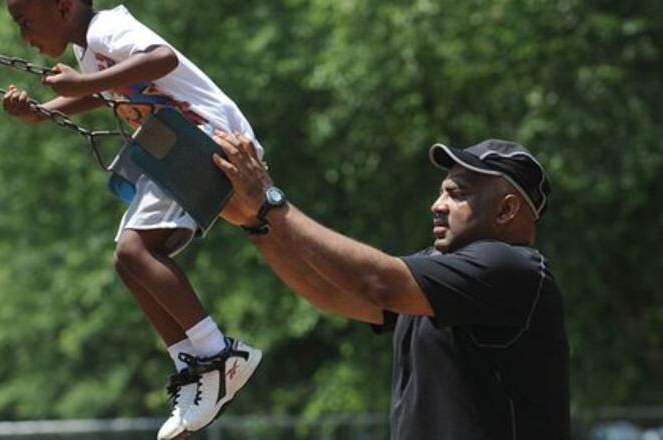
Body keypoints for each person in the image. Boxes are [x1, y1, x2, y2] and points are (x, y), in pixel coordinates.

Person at [0, 1, 262, 438]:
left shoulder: (106, 28)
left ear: (63, 7)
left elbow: (162, 59)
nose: (25, 36)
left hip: (208, 137)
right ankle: (192, 363)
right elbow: (99, 92)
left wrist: (87, 80)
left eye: (26, 22)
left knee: (136, 250)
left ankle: (221, 355)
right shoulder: (88, 51)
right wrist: (44, 109)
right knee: (128, 261)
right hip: (178, 145)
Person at [212, 133, 571, 440]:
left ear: (506, 210)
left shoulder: (513, 268)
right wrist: (257, 226)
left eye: (456, 194)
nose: (437, 205)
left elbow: (377, 283)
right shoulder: (444, 274)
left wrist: (270, 202)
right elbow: (331, 292)